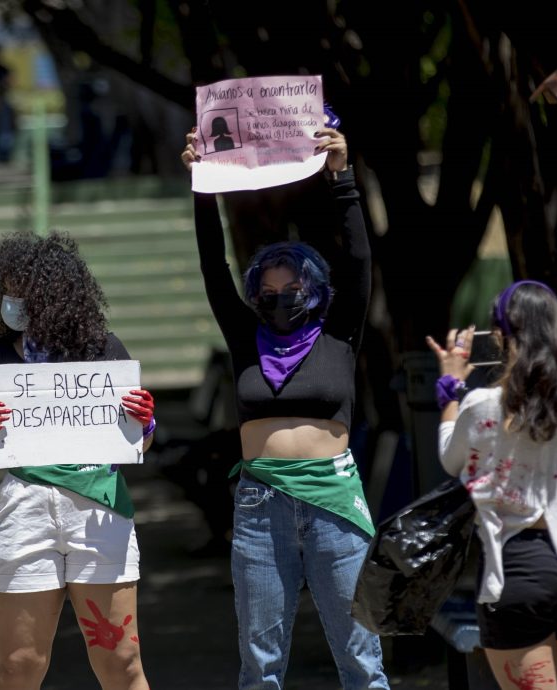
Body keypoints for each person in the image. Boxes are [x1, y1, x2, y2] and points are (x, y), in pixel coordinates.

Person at [182, 126, 390, 690]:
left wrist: (341, 176)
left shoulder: (339, 334)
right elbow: (212, 266)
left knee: (361, 659)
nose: (279, 298)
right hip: (260, 503)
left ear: (314, 290)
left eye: (290, 287)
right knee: (260, 664)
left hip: (333, 503)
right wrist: (203, 184)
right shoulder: (245, 336)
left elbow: (361, 259)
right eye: (267, 290)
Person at [0, 233, 154, 690]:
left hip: (99, 510)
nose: (12, 304)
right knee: (19, 664)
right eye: (7, 293)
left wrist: (145, 424)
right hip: (26, 509)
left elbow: (136, 444)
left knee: (121, 660)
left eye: (23, 293)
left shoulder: (105, 350)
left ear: (54, 295)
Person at [427, 281, 557, 690]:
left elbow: (450, 458)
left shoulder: (484, 406)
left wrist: (451, 389)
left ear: (503, 337)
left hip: (519, 570)